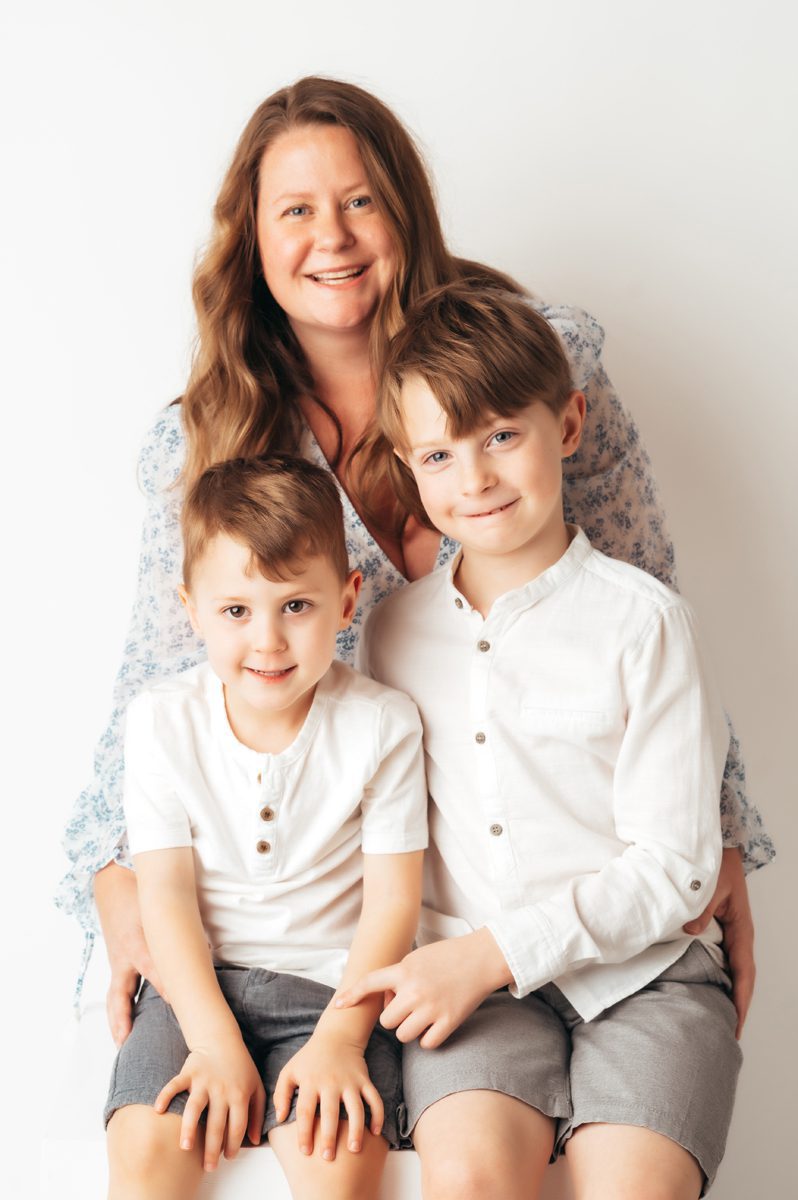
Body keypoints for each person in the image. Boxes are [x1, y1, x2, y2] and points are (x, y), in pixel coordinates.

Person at [57, 75, 771, 1047]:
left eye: (359, 201)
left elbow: (645, 594)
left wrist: (716, 827)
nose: (334, 237)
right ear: (252, 239)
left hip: (568, 892)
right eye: (297, 210)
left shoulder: (530, 368)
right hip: (345, 911)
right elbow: (158, 668)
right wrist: (113, 868)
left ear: (405, 210)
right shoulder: (210, 440)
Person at [342, 282, 742, 1198]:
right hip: (472, 993)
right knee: (471, 1182)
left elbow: (678, 866)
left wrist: (489, 954)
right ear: (409, 466)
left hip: (643, 978)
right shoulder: (393, 632)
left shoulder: (644, 623)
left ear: (567, 424)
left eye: (500, 437)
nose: (474, 478)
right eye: (439, 453)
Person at [105, 453, 427, 1198]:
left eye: (296, 606)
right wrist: (215, 1042)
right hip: (196, 988)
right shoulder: (160, 722)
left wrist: (342, 1039)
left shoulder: (382, 725)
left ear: (347, 602)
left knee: (338, 1164)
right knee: (147, 1148)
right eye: (236, 611)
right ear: (191, 610)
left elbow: (392, 905)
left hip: (333, 995)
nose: (268, 641)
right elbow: (166, 900)